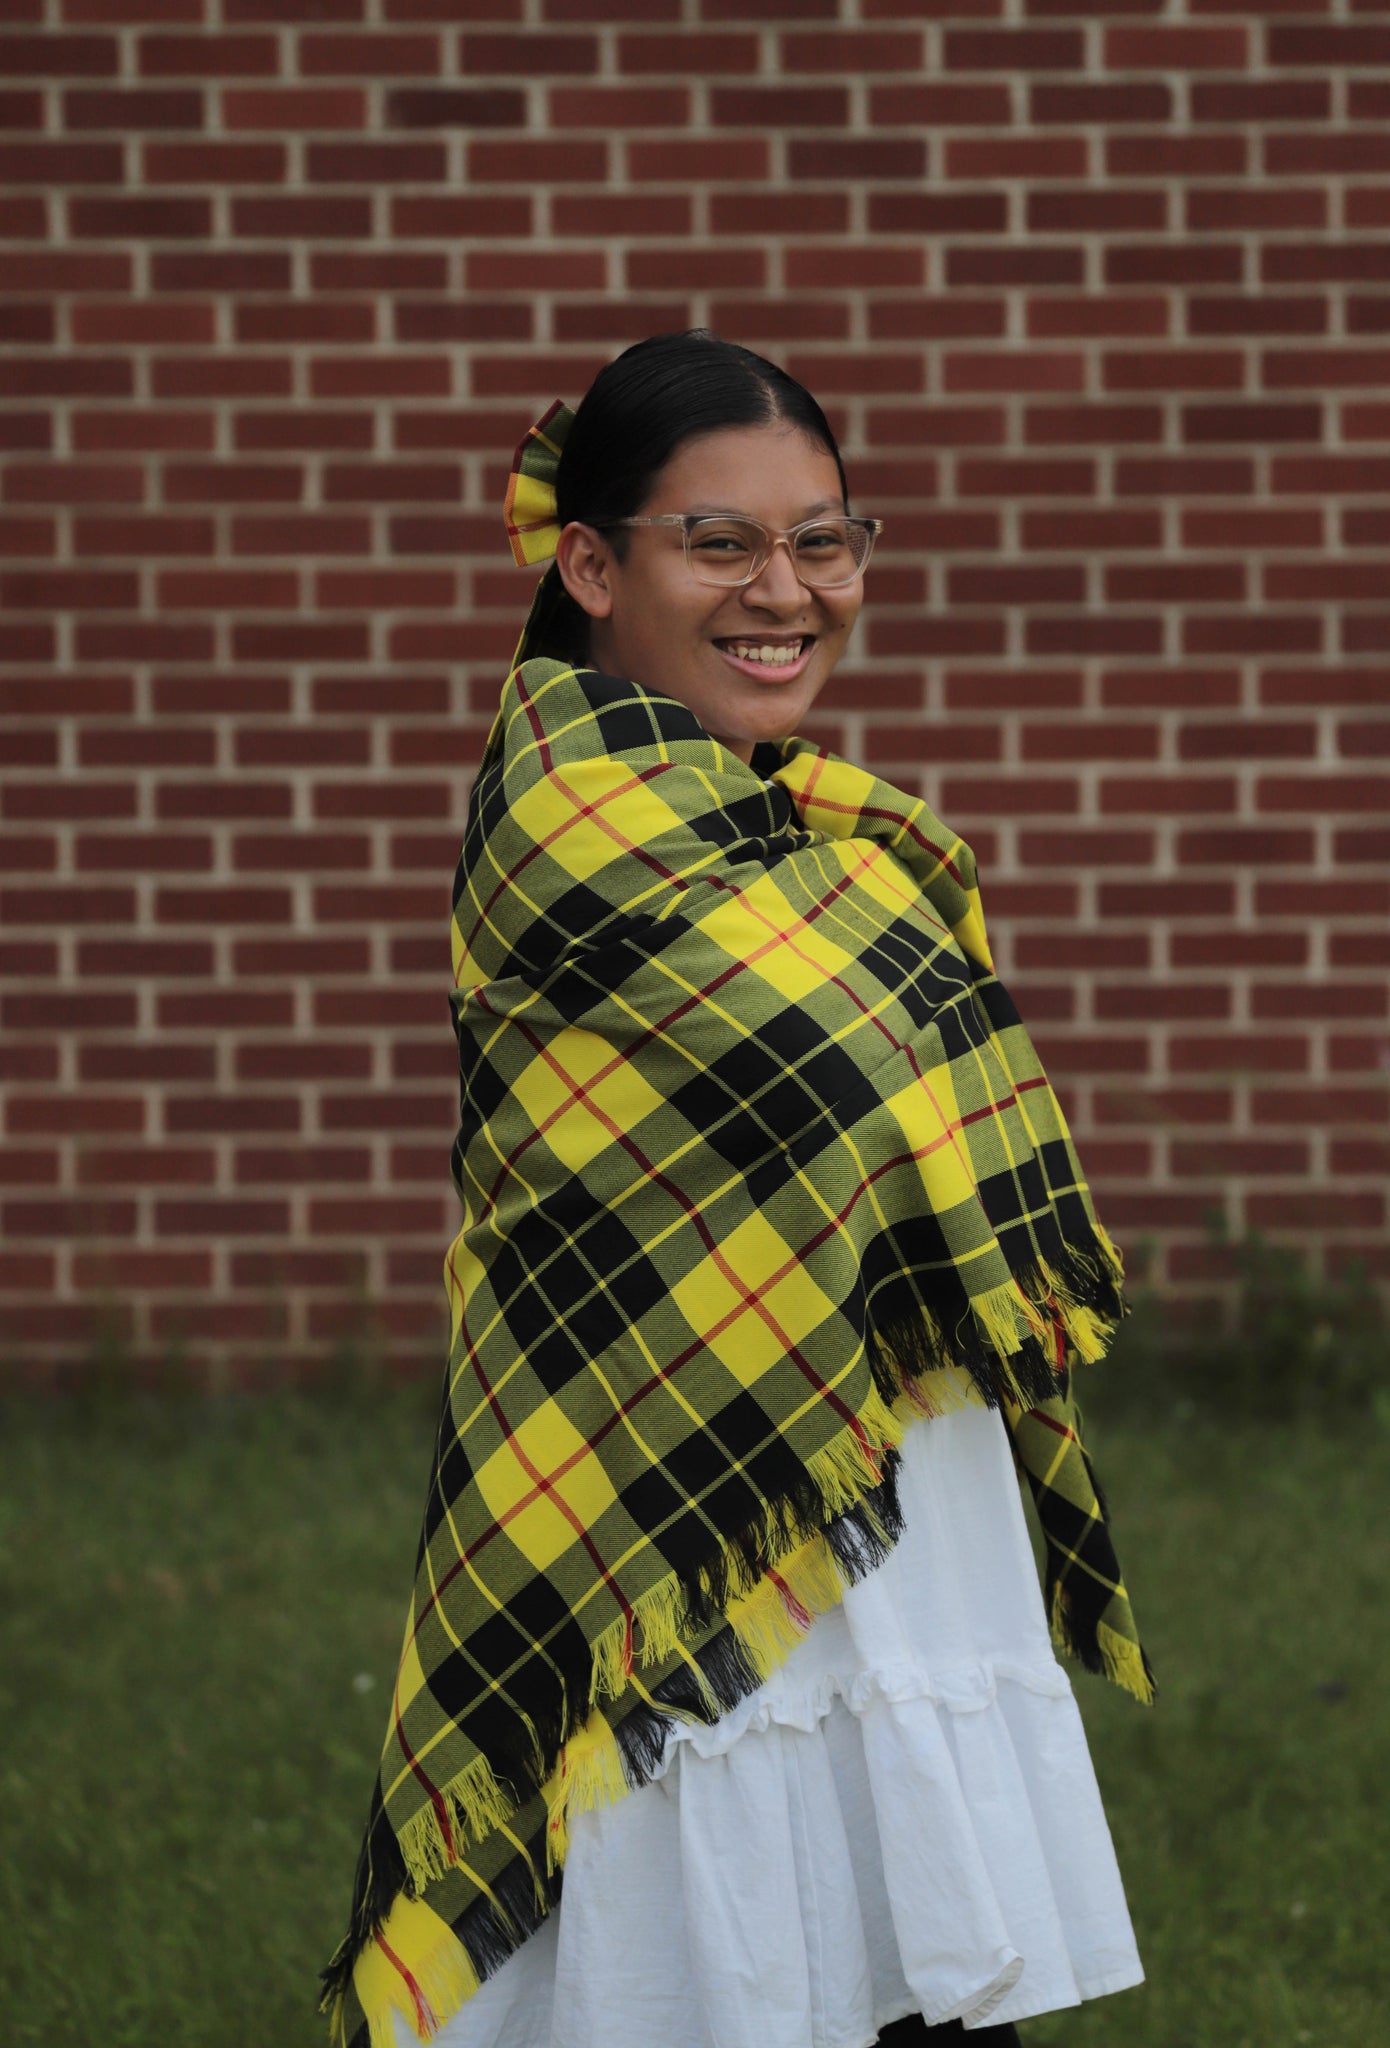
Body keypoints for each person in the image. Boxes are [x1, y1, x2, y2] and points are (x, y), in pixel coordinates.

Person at [321, 331, 1154, 2048]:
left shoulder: (796, 823)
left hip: (876, 1478)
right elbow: (855, 1099)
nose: (786, 591)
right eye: (720, 544)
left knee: (910, 1966)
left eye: (823, 539)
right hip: (671, 1515)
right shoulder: (581, 825)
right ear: (590, 564)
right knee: (717, 1978)